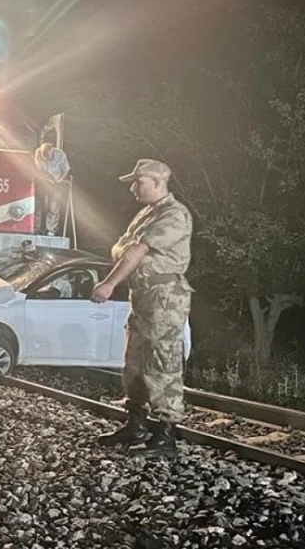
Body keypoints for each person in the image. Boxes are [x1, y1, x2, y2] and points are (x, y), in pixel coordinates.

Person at [91, 159, 193, 456]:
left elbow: (135, 249)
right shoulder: (146, 214)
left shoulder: (174, 214)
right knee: (135, 362)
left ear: (158, 183)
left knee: (162, 363)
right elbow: (120, 248)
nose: (134, 188)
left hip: (164, 295)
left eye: (139, 182)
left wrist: (109, 284)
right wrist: (128, 255)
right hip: (143, 294)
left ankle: (165, 435)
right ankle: (136, 423)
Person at [34, 142, 71, 237]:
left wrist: (59, 179)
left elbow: (66, 169)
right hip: (44, 181)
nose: (46, 158)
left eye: (48, 156)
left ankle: (51, 230)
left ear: (52, 150)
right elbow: (38, 168)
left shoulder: (61, 155)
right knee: (38, 204)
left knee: (54, 206)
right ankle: (36, 228)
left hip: (57, 182)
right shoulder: (38, 153)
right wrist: (45, 178)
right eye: (44, 156)